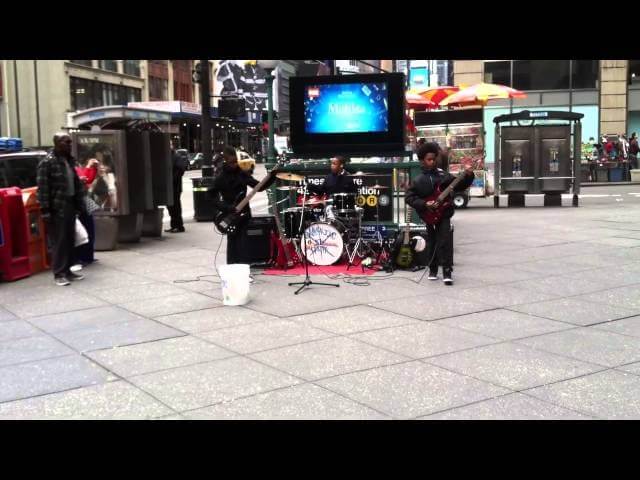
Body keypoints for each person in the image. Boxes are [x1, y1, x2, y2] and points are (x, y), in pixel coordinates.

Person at [405, 142, 474, 286]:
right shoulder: (418, 181)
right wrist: (424, 204)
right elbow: (409, 198)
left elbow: (459, 185)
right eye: (429, 159)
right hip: (429, 214)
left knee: (445, 241)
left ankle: (447, 271)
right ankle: (433, 270)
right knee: (432, 242)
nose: (432, 162)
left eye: (434, 159)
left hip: (444, 214)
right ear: (422, 161)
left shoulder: (444, 175)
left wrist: (468, 175)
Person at [208, 146, 278, 264]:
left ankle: (244, 269)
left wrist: (272, 177)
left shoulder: (241, 174)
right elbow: (210, 195)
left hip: (244, 214)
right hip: (229, 214)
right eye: (231, 162)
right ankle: (232, 269)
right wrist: (225, 207)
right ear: (225, 161)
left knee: (244, 244)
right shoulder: (220, 177)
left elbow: (258, 187)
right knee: (232, 243)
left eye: (236, 161)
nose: (235, 164)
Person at [36, 133, 86, 286]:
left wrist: (79, 205)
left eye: (70, 142)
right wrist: (45, 210)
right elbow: (43, 189)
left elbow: (75, 184)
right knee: (59, 241)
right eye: (67, 142)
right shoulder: (47, 162)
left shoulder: (69, 160)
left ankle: (68, 270)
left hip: (70, 204)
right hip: (57, 207)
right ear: (57, 143)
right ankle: (59, 273)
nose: (70, 145)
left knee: (70, 239)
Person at [73, 157, 99, 266]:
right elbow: (83, 179)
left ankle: (88, 256)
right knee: (82, 231)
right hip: (76, 202)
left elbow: (87, 180)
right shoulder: (68, 168)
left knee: (89, 229)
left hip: (83, 200)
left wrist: (93, 169)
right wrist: (89, 168)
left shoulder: (74, 166)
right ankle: (82, 257)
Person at [166, 142, 188, 233]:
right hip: (171, 185)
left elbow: (181, 169)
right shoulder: (169, 156)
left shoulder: (176, 156)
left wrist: (173, 179)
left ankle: (179, 226)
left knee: (175, 206)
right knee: (171, 206)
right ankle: (174, 225)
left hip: (175, 186)